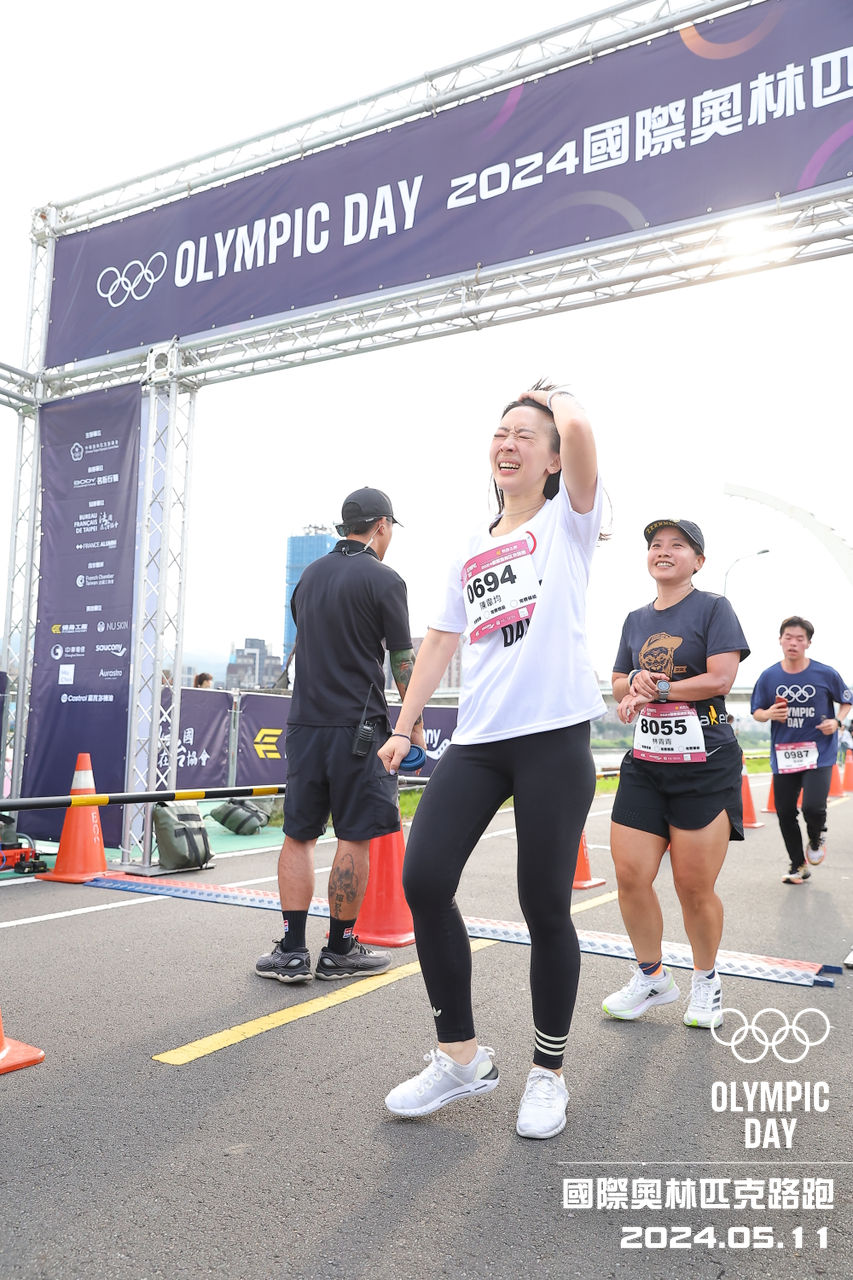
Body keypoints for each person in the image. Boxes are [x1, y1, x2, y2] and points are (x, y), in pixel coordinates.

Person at [379, 381, 605, 1141]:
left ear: (553, 460)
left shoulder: (569, 524)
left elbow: (581, 431)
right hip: (478, 741)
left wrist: (552, 395)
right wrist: (404, 726)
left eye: (525, 435)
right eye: (501, 433)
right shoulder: (470, 549)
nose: (508, 444)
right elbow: (440, 641)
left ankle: (548, 1072)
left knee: (543, 905)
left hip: (553, 739)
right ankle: (461, 1058)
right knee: (423, 878)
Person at [255, 487, 424, 983]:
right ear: (382, 526)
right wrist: (413, 727)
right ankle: (339, 948)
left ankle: (291, 950)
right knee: (354, 836)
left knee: (298, 835)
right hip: (359, 730)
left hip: (305, 725)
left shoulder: (309, 577)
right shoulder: (386, 579)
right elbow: (403, 660)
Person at [603, 519, 749, 1032]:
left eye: (677, 545)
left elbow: (721, 678)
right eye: (655, 545)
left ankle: (706, 979)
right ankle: (652, 977)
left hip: (706, 762)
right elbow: (618, 680)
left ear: (698, 561)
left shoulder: (713, 608)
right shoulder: (635, 619)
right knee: (629, 875)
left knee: (692, 884)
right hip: (646, 763)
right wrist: (632, 684)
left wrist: (658, 690)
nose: (663, 551)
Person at [750, 616, 851, 883]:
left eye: (799, 639)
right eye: (788, 637)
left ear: (808, 643)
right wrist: (769, 713)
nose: (793, 643)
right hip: (784, 755)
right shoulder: (769, 676)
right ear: (780, 640)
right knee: (785, 812)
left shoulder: (825, 673)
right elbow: (757, 712)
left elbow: (846, 700)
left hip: (819, 753)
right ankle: (798, 866)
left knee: (813, 808)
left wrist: (837, 722)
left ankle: (816, 838)